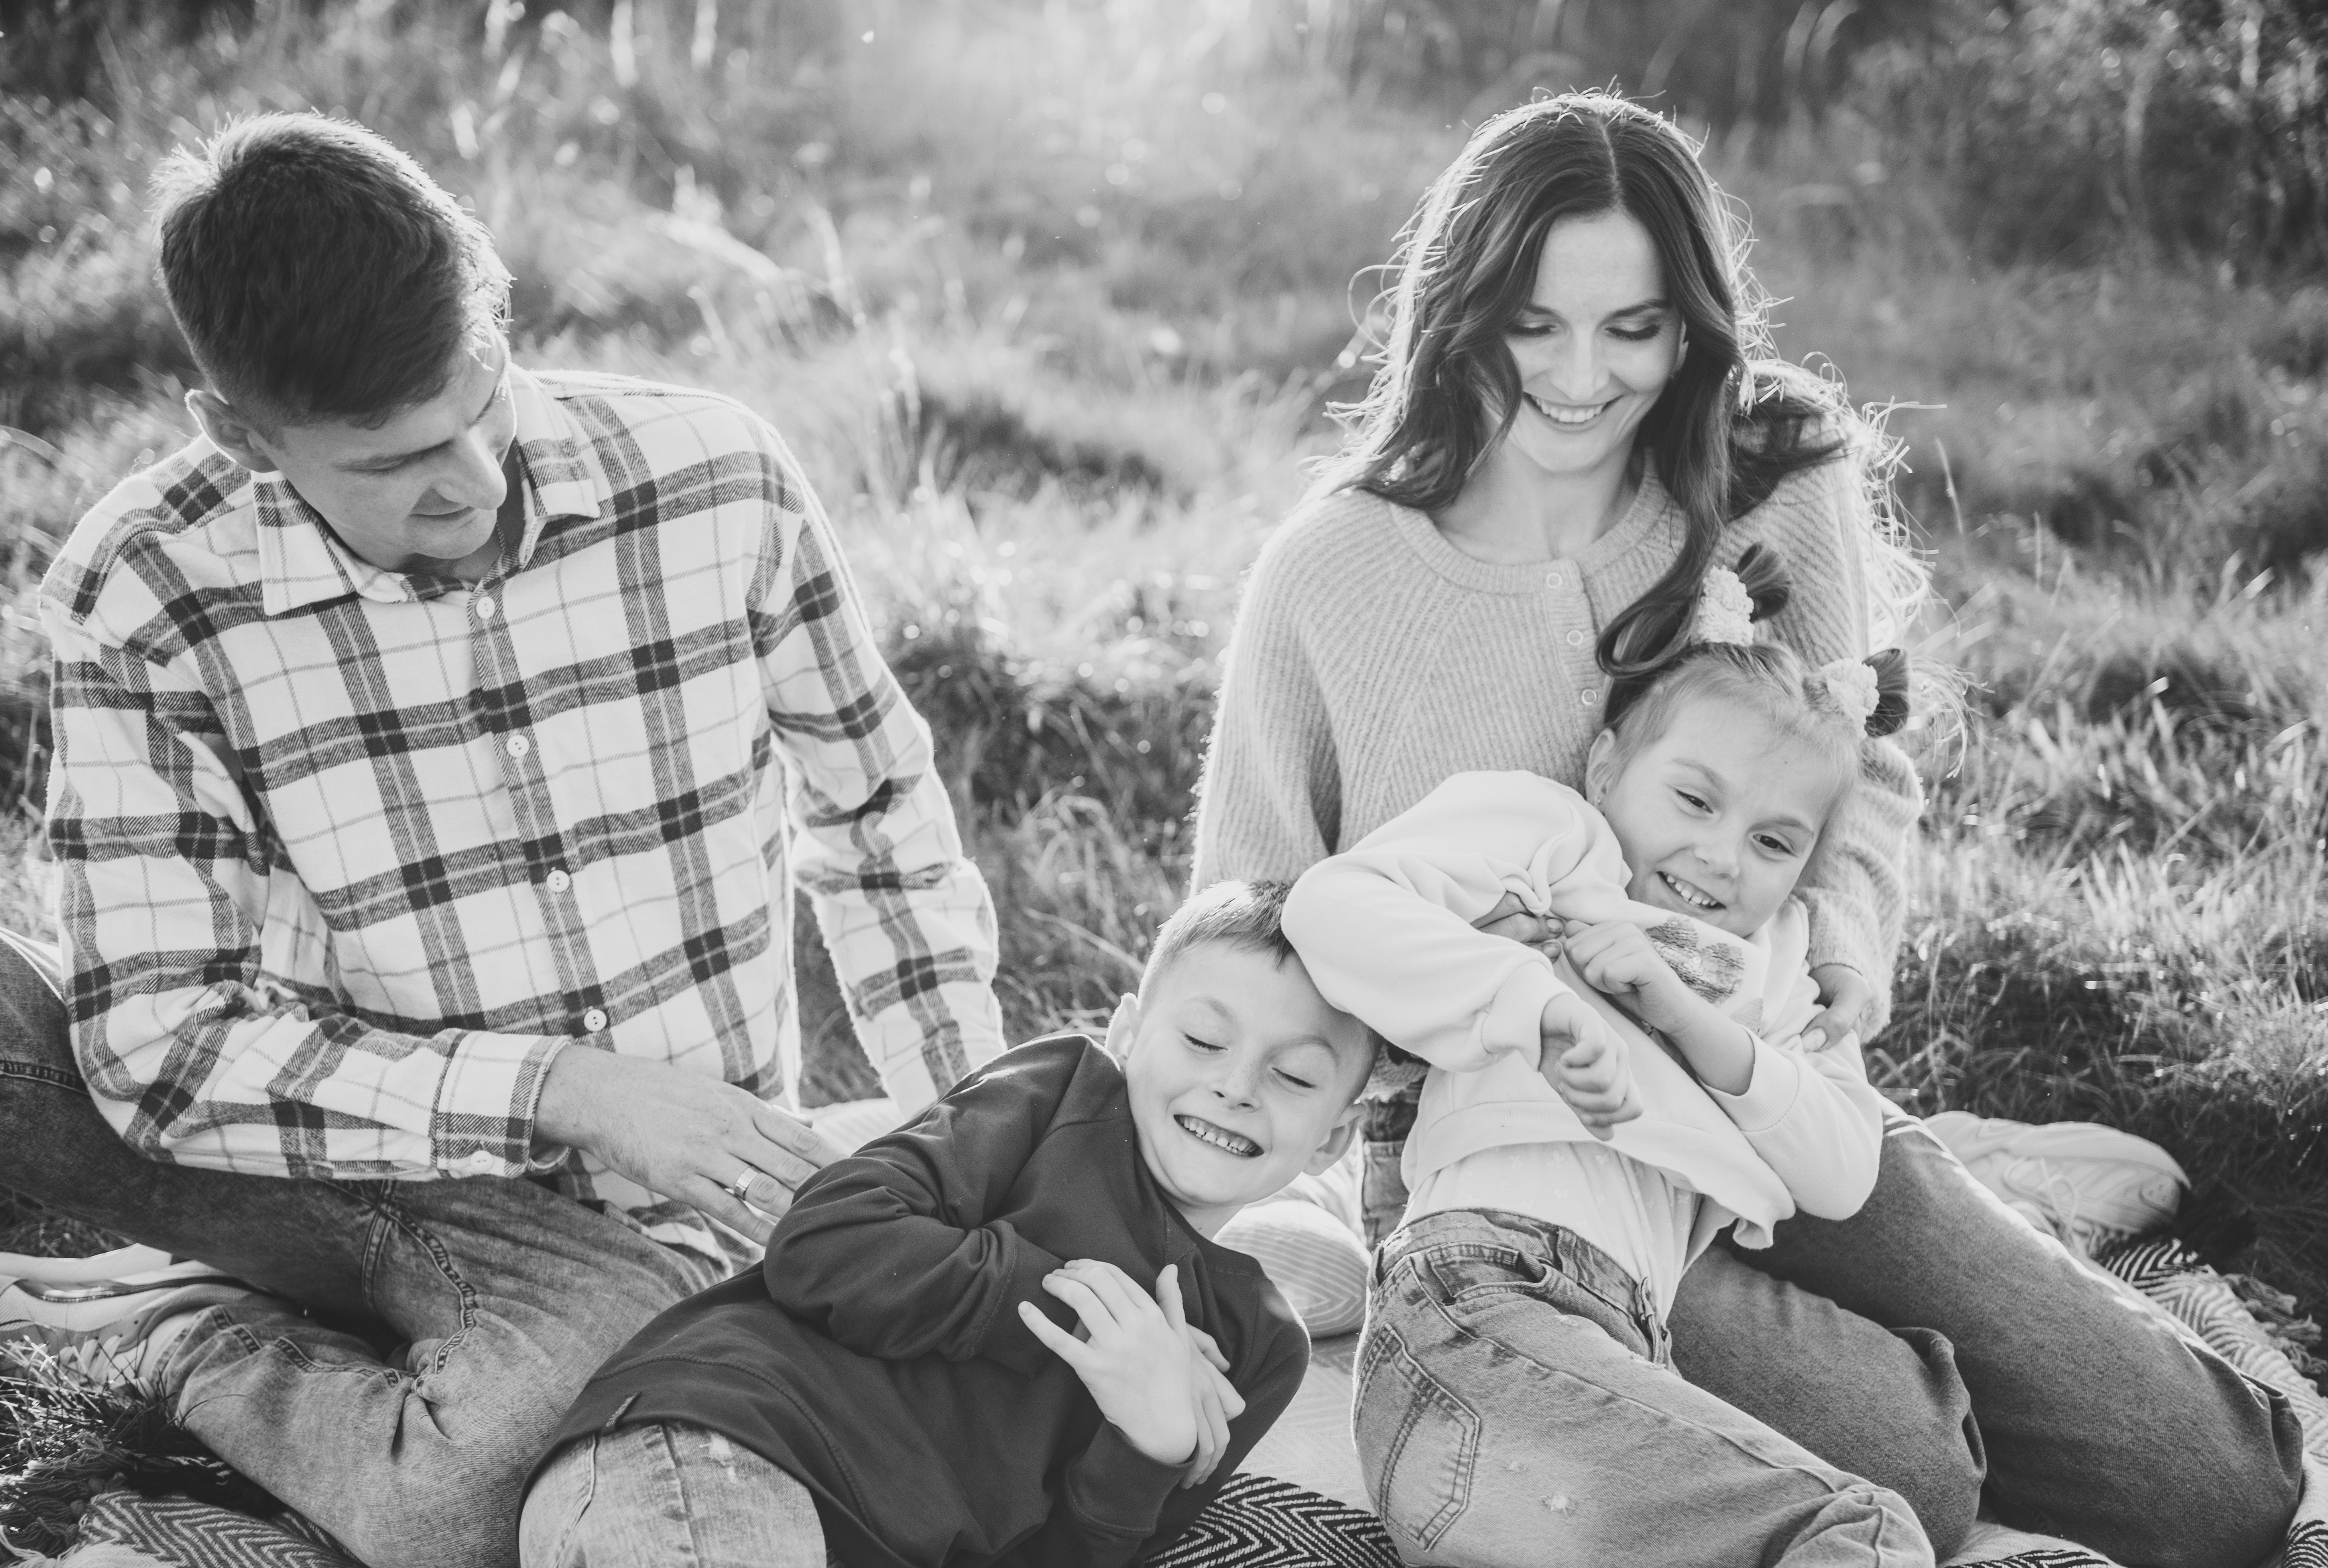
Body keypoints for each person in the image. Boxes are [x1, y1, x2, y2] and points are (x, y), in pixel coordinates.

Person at [1187, 90, 2302, 1564]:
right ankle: (1970, 1263)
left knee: (2217, 1487)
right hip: (1526, 1155)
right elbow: (1254, 906)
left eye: (1633, 329)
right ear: (1458, 310)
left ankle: (1985, 1212)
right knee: (1923, 1476)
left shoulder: (1764, 472)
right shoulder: (1329, 574)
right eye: (1532, 323)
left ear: (1690, 324)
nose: (1582, 378)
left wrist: (1837, 955)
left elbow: (1864, 768)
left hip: (1770, 1080)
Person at [0, 113, 1002, 1568]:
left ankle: (172, 1332)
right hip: (345, 1146)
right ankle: (293, 1300)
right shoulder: (148, 590)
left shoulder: (718, 478)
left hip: (657, 1222)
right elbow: (161, 1045)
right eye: (397, 459)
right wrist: (563, 1087)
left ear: (500, 311)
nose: (471, 476)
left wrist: (973, 1126)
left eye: (485, 402)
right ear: (240, 434)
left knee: (478, 1496)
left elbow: (876, 809)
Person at [1283, 554, 1936, 1564]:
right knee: (1863, 1531)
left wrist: (1684, 1014)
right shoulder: (1555, 841)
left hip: (1614, 1357)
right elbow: (1330, 905)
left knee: (1869, 1514)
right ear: (1604, 768)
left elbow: (1846, 1169)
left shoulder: (1777, 967)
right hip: (1476, 1296)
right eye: (1695, 800)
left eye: (1774, 842)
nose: (1723, 856)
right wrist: (1534, 1006)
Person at [518, 879, 1377, 1568]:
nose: (1237, 1085)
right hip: (728, 1445)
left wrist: (1147, 1437)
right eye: (1202, 1038)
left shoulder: (1257, 1351)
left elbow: (1068, 1554)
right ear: (1128, 1031)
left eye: (1295, 1076)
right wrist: (1083, 1319)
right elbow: (822, 1240)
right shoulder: (1061, 1095)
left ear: (1335, 1135)